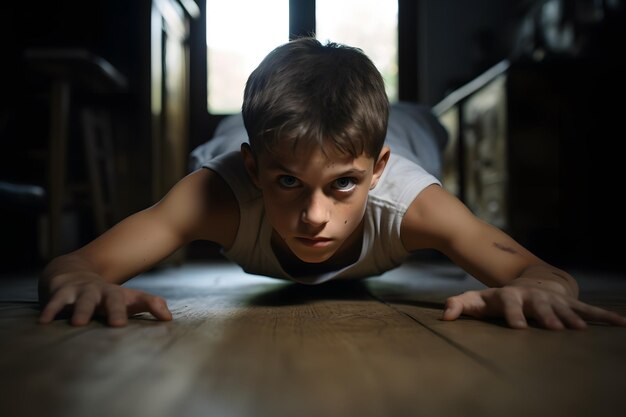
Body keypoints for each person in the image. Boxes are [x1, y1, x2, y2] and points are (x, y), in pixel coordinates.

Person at [38, 37, 626, 330]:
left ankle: (391, 131)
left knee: (421, 121)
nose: (314, 216)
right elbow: (72, 267)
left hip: (412, 136)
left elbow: (545, 275)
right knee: (261, 134)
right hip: (239, 142)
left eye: (342, 185)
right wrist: (89, 287)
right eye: (289, 182)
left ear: (376, 170)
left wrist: (537, 290)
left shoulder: (410, 201)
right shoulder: (214, 195)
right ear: (254, 173)